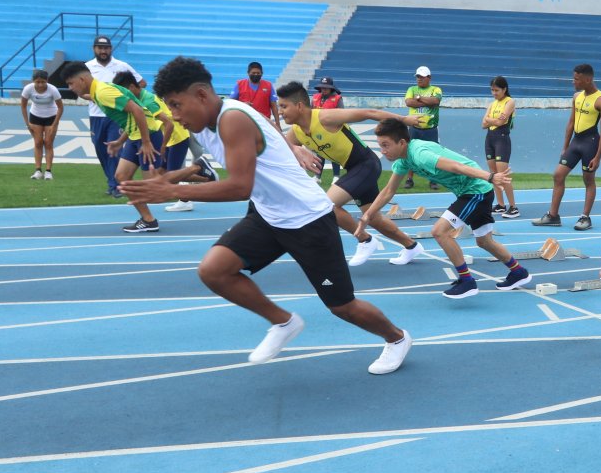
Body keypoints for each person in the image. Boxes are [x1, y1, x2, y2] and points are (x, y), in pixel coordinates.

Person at [119, 57, 412, 375]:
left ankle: (396, 338)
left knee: (342, 306)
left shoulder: (232, 118)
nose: (174, 115)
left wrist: (172, 190)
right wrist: (182, 175)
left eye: (176, 105)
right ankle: (283, 322)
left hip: (307, 219)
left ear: (201, 95)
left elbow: (240, 186)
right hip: (268, 214)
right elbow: (258, 139)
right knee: (214, 271)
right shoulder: (204, 123)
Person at [362, 118, 531, 299]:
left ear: (402, 143)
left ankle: (467, 281)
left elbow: (456, 166)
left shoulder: (420, 154)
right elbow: (388, 191)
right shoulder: (403, 161)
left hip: (475, 191)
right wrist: (368, 215)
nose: (383, 151)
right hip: (472, 191)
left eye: (386, 145)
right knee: (484, 241)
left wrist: (490, 177)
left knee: (439, 231)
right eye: (380, 146)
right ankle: (518, 272)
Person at [275, 81, 426, 268]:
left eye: (284, 106)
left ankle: (365, 240)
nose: (280, 112)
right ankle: (411, 246)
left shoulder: (325, 117)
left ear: (299, 106)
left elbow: (369, 113)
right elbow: (280, 151)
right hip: (354, 169)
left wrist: (404, 119)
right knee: (374, 218)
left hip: (366, 164)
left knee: (327, 205)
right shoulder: (296, 132)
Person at [60, 62, 163, 233]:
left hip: (148, 134)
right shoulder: (98, 92)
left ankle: (198, 172)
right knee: (121, 176)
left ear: (82, 79)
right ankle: (149, 220)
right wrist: (120, 141)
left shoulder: (103, 92)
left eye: (71, 83)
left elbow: (137, 110)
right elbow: (128, 117)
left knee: (155, 188)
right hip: (134, 135)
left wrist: (146, 142)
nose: (70, 88)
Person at [112, 71, 220, 211]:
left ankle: (190, 192)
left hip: (176, 137)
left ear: (132, 87)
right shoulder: (138, 100)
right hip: (168, 137)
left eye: (123, 91)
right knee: (163, 174)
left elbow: (169, 124)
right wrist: (120, 141)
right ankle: (207, 176)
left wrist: (162, 147)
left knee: (171, 176)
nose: (123, 95)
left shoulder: (148, 101)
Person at [532, 64, 601, 231]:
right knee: (558, 175)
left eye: (576, 79)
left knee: (588, 180)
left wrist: (598, 157)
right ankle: (553, 216)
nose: (573, 82)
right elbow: (571, 123)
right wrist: (565, 147)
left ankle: (585, 217)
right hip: (576, 142)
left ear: (588, 79)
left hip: (591, 143)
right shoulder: (576, 96)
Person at [82, 35, 145, 197]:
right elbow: (81, 92)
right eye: (100, 48)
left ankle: (117, 186)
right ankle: (112, 181)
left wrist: (124, 98)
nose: (103, 51)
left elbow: (141, 83)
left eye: (106, 48)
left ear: (111, 49)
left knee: (114, 148)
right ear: (94, 49)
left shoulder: (121, 66)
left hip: (117, 115)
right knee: (100, 149)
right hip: (96, 115)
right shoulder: (87, 67)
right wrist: (97, 98)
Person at [482, 76, 519, 218]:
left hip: (502, 139)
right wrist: (493, 121)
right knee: (494, 174)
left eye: (496, 90)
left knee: (503, 175)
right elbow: (483, 124)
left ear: (504, 89)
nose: (494, 93)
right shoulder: (492, 104)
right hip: (489, 139)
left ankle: (513, 207)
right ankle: (501, 205)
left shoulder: (510, 102)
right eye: (492, 90)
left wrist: (490, 120)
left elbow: (500, 122)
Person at [403, 65, 442, 190]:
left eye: (422, 77)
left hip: (431, 129)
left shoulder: (436, 89)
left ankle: (433, 180)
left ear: (429, 78)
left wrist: (419, 98)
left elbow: (435, 101)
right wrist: (427, 101)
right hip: (414, 128)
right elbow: (409, 102)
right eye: (418, 77)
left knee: (432, 154)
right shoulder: (411, 89)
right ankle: (409, 179)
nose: (419, 79)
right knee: (410, 153)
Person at [21, 69, 63, 180]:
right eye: (37, 82)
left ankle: (48, 172)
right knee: (38, 142)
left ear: (47, 81)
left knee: (48, 143)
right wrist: (27, 123)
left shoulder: (53, 90)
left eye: (43, 82)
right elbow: (23, 106)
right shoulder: (28, 89)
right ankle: (38, 171)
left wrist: (54, 124)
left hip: (51, 117)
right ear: (33, 81)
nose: (40, 85)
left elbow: (60, 108)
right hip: (35, 116)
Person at [229, 61, 281, 130]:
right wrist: (243, 104)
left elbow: (274, 106)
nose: (256, 75)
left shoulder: (268, 85)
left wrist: (277, 124)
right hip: (244, 121)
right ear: (248, 73)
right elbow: (231, 103)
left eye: (258, 73)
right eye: (253, 73)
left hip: (264, 123)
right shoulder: (239, 84)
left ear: (262, 73)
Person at [311, 76, 344, 179]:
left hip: (333, 131)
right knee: (320, 153)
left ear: (331, 88)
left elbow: (342, 115)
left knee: (334, 153)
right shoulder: (315, 97)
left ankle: (336, 176)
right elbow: (310, 113)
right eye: (322, 87)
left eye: (326, 87)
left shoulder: (337, 99)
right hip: (318, 131)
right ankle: (317, 176)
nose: (324, 89)